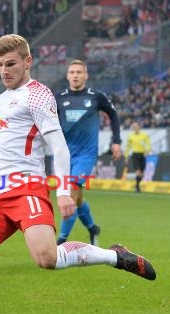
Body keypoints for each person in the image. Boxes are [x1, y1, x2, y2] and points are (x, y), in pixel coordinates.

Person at [0, 34, 156, 314]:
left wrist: (61, 191)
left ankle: (115, 255)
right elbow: (2, 146)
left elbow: (58, 146)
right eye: (0, 65)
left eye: (11, 64)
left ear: (27, 62)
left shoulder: (38, 95)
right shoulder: (2, 100)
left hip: (27, 189)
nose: (4, 71)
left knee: (46, 258)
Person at [54, 59, 122, 246]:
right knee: (78, 199)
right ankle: (93, 228)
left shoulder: (96, 96)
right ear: (67, 75)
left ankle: (60, 241)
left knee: (71, 192)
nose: (75, 75)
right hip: (64, 155)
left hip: (86, 154)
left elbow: (113, 115)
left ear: (86, 75)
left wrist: (116, 141)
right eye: (72, 72)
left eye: (79, 72)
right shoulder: (58, 97)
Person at [125, 122, 151, 193]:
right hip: (135, 155)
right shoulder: (131, 136)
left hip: (142, 155)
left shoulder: (144, 135)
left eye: (136, 126)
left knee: (142, 174)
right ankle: (137, 188)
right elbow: (128, 147)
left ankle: (137, 185)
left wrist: (147, 151)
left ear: (139, 127)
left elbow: (148, 144)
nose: (134, 128)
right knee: (138, 172)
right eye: (133, 127)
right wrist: (126, 156)